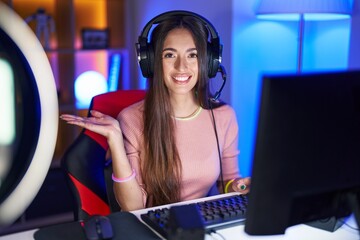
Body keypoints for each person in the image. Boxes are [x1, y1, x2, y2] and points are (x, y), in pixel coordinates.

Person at [60, 11, 251, 211]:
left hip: (201, 224)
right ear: (151, 62)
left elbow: (227, 182)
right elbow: (133, 207)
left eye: (192, 55)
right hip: (155, 226)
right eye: (169, 55)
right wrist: (115, 141)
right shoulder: (132, 120)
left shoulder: (223, 116)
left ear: (208, 62)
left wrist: (238, 186)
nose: (181, 66)